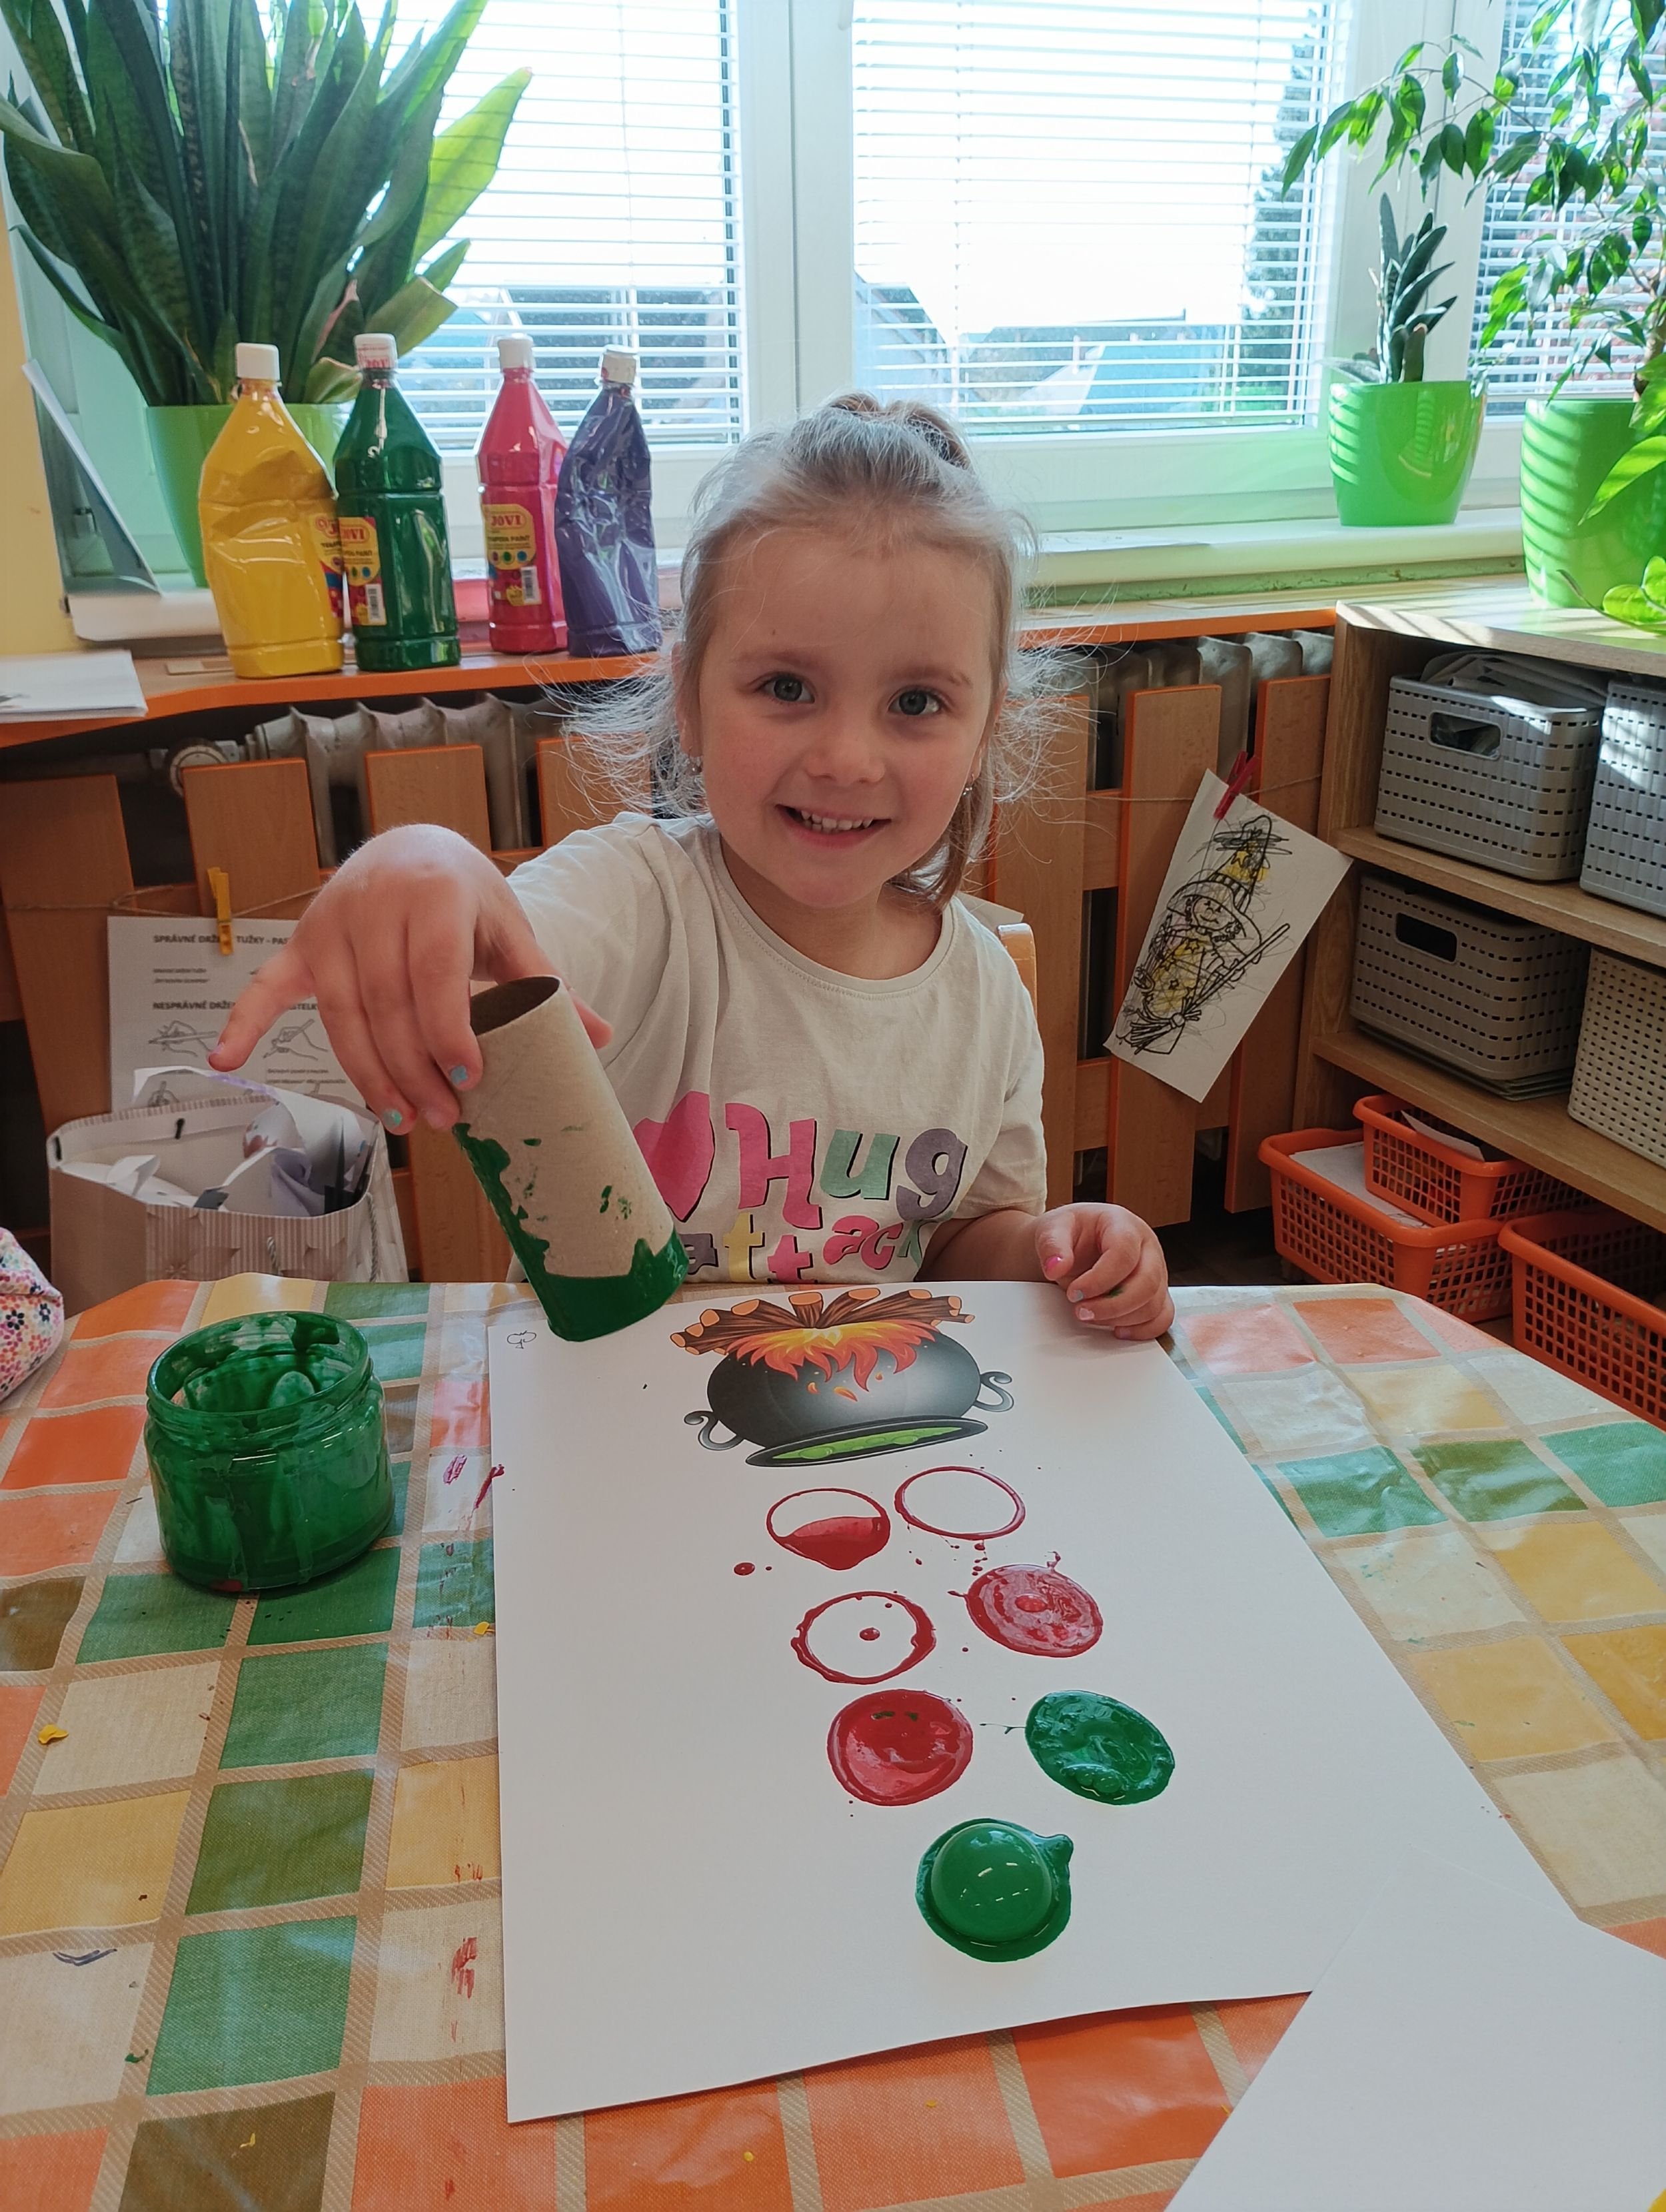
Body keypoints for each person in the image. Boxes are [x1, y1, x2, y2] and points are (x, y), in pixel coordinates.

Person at [213, 394, 1174, 1339]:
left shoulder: (985, 997)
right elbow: (484, 941)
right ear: (689, 698)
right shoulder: (631, 902)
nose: (847, 759)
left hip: (857, 1405)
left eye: (917, 702)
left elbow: (961, 1242)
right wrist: (418, 864)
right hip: (605, 1403)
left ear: (985, 729)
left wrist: (1059, 1249)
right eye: (787, 687)